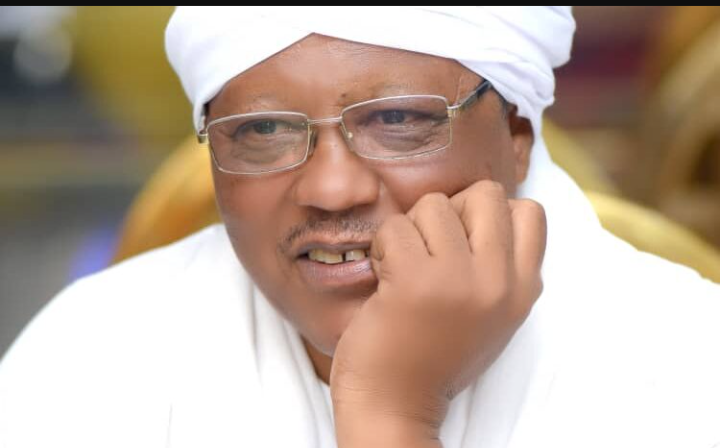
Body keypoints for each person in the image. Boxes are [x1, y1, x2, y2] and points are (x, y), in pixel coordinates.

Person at [1, 6, 718, 448]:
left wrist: (391, 415)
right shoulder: (92, 357)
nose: (331, 188)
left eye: (398, 120)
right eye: (263, 130)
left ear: (516, 133)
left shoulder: (684, 363)